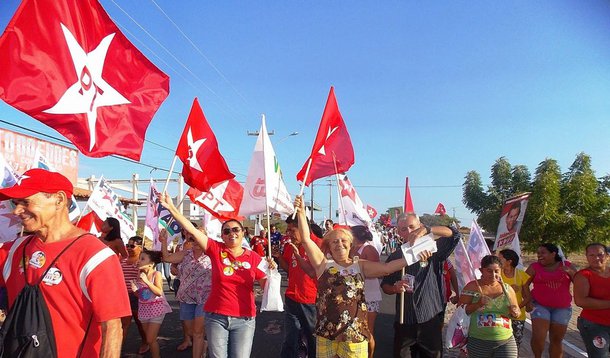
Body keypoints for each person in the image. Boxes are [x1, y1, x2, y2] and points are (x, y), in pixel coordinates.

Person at [0, 168, 130, 357]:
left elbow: (112, 327)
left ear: (59, 200)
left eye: (26, 202)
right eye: (15, 203)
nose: (17, 211)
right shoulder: (13, 250)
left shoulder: (96, 256)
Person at [294, 196, 411, 358]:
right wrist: (300, 213)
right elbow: (306, 240)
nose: (339, 244)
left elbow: (387, 268)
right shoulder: (322, 264)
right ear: (328, 246)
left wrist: (416, 255)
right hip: (326, 333)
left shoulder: (360, 265)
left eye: (343, 241)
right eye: (334, 242)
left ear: (350, 245)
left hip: (354, 335)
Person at [160, 192, 274, 358]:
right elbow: (191, 229)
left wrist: (272, 272)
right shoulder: (216, 249)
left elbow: (267, 288)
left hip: (245, 319)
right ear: (222, 236)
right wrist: (171, 207)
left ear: (243, 233)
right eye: (226, 231)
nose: (231, 233)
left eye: (236, 230)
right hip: (216, 317)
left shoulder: (254, 258)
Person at [380, 212, 461, 358]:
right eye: (404, 229)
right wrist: (394, 288)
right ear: (399, 232)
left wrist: (428, 230)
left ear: (420, 226)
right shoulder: (396, 256)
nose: (409, 231)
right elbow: (385, 285)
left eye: (413, 227)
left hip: (430, 318)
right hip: (405, 321)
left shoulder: (433, 249)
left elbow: (454, 234)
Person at [160, 227, 212, 358]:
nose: (193, 238)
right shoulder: (185, 253)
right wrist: (164, 241)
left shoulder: (212, 254)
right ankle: (203, 344)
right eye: (190, 236)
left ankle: (198, 352)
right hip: (186, 297)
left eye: (197, 235)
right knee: (189, 331)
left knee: (197, 332)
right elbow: (166, 258)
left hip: (205, 298)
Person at [274, 214, 321, 358]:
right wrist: (278, 257)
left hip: (310, 301)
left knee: (313, 338)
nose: (288, 234)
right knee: (290, 338)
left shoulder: (319, 244)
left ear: (303, 228)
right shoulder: (290, 246)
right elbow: (288, 268)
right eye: (287, 230)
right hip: (291, 298)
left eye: (292, 230)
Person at [459, 255, 520, 358]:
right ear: (481, 270)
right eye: (489, 271)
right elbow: (461, 311)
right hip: (478, 342)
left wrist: (515, 312)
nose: (493, 275)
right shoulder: (472, 287)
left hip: (505, 341)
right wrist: (478, 304)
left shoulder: (507, 289)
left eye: (496, 271)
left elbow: (517, 312)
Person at [525, 243, 577, 358]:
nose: (539, 256)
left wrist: (571, 272)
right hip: (539, 305)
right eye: (538, 253)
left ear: (553, 254)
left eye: (543, 253)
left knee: (556, 339)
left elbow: (579, 283)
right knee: (539, 336)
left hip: (562, 308)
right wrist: (527, 301)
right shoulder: (534, 267)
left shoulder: (566, 265)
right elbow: (523, 284)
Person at [130, 249, 172, 358]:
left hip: (156, 309)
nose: (139, 261)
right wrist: (135, 291)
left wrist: (147, 281)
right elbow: (143, 296)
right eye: (140, 258)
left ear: (151, 264)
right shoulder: (139, 274)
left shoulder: (156, 274)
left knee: (150, 339)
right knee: (150, 340)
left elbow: (158, 292)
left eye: (143, 259)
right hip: (144, 310)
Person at [350, 225, 382, 358]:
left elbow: (378, 272)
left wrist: (360, 271)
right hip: (355, 295)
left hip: (370, 295)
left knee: (368, 331)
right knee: (355, 330)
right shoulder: (350, 249)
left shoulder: (369, 249)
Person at [574, 243, 610, 357]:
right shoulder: (583, 275)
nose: (596, 258)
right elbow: (580, 301)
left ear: (607, 255)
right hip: (594, 325)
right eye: (592, 255)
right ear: (587, 257)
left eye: (600, 254)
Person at [120, 235, 149, 355]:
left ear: (140, 247)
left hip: (136, 296)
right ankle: (118, 348)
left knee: (139, 322)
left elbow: (147, 276)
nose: (129, 248)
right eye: (128, 245)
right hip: (123, 295)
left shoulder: (143, 261)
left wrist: (141, 268)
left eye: (132, 245)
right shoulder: (122, 259)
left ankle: (145, 342)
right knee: (124, 324)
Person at [498, 248, 531, 349]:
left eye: (500, 259)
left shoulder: (521, 275)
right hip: (499, 314)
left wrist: (515, 308)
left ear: (509, 261)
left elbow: (527, 297)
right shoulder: (497, 274)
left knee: (515, 345)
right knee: (498, 343)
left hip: (517, 317)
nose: (497, 261)